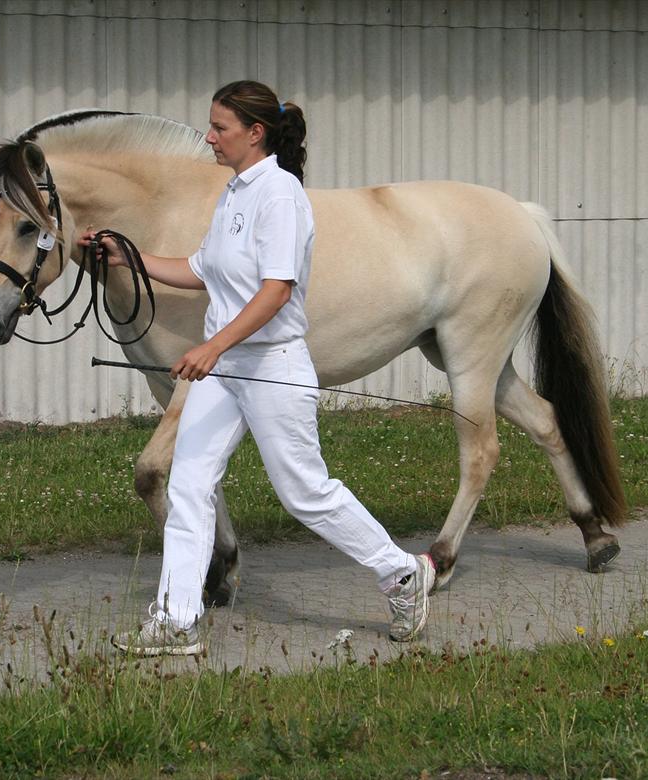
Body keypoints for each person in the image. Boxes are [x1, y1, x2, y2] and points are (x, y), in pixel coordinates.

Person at [80, 80, 434, 656]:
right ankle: (177, 621)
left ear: (255, 133)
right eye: (211, 125)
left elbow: (275, 292)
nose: (209, 136)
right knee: (190, 485)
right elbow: (203, 268)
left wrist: (212, 345)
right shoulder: (233, 193)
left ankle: (402, 573)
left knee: (305, 493)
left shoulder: (281, 195)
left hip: (272, 363)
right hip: (226, 370)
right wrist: (129, 255)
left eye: (220, 127)